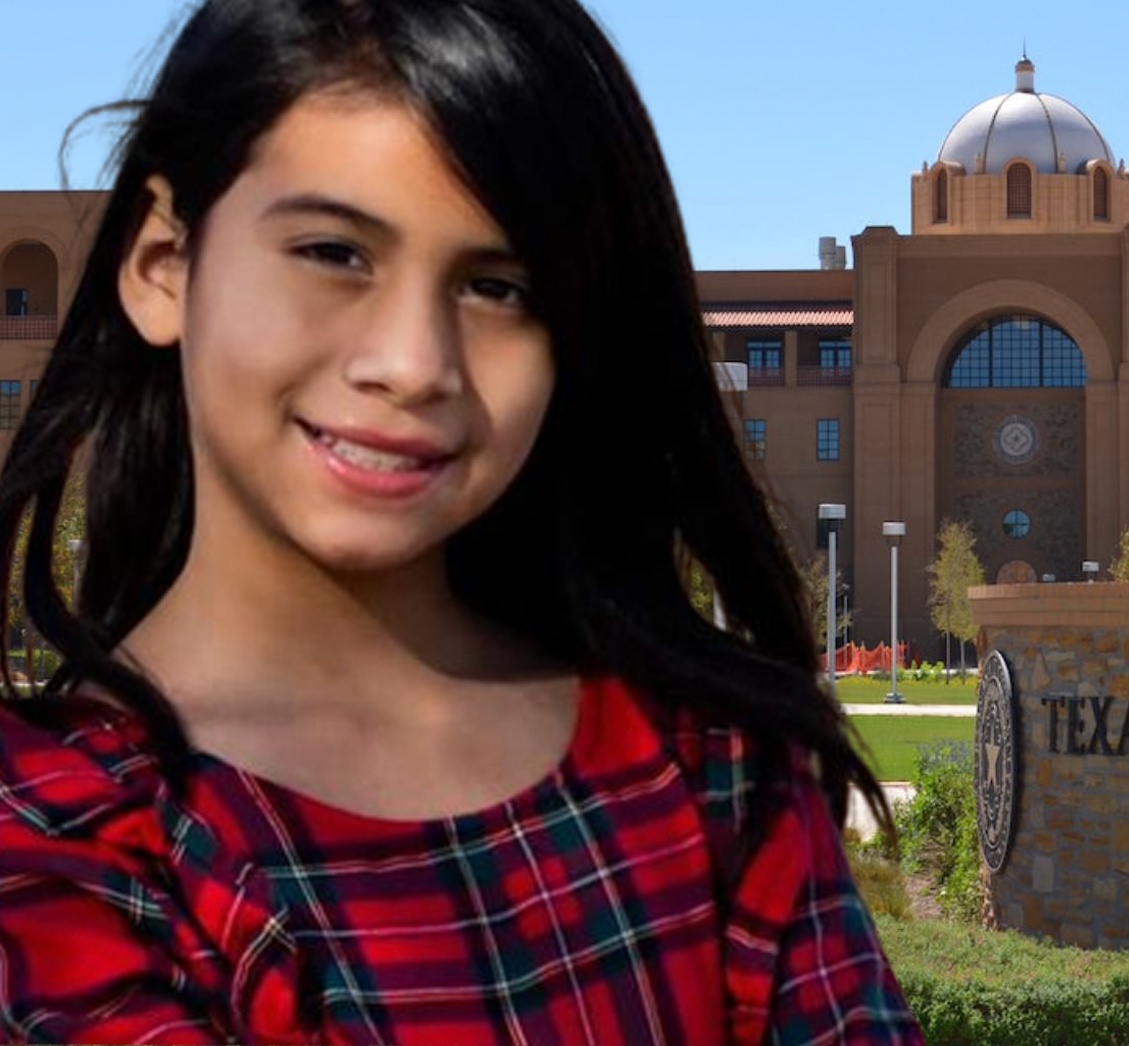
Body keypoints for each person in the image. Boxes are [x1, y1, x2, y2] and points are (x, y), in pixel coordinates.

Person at [0, 1, 923, 1043]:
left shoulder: (713, 767)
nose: (412, 363)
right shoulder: (60, 836)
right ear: (163, 263)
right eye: (334, 252)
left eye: (498, 286)